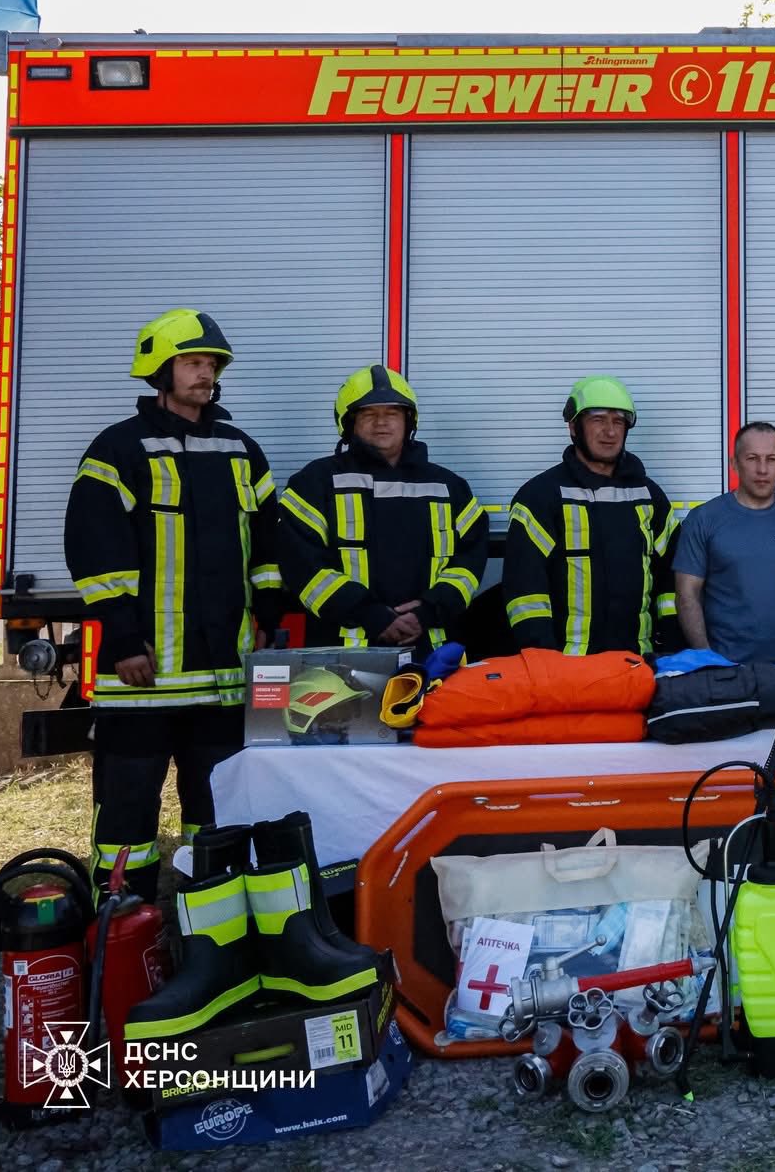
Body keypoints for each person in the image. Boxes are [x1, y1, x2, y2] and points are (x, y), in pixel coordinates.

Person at [64, 309, 282, 900]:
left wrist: (267, 613)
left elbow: (267, 544)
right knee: (128, 807)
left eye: (211, 364)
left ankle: (207, 911)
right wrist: (120, 637)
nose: (205, 373)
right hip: (145, 672)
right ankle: (120, 913)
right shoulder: (119, 448)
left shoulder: (241, 450)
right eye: (192, 363)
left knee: (215, 808)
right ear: (160, 370)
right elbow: (95, 550)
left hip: (222, 679)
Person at [279, 366, 486, 656]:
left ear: (408, 420)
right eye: (368, 414)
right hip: (341, 655)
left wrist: (428, 610)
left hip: (432, 652)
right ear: (349, 423)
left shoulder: (450, 487)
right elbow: (301, 565)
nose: (381, 422)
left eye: (392, 413)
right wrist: (369, 614)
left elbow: (469, 562)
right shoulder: (314, 483)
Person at [504, 376, 678, 655]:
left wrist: (671, 644)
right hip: (568, 666)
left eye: (618, 421)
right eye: (598, 420)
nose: (610, 431)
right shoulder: (540, 498)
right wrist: (544, 659)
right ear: (574, 427)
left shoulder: (650, 496)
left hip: (638, 663)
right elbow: (525, 593)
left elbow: (671, 578)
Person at [675, 422, 775, 662]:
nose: (762, 469)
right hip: (723, 666)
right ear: (734, 464)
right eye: (752, 458)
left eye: (772, 459)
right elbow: (687, 593)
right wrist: (706, 658)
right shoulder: (703, 519)